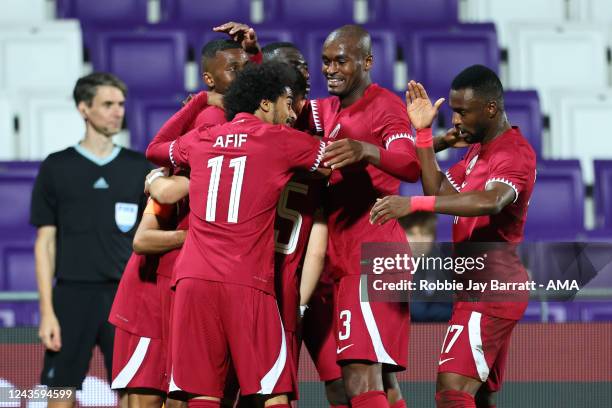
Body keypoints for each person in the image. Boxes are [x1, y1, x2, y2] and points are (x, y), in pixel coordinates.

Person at [145, 62, 326, 408]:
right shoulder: (281, 140)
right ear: (265, 104)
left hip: (193, 280)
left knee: (202, 392)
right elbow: (332, 161)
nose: (291, 113)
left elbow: (155, 147)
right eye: (286, 103)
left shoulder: (201, 138)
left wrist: (198, 102)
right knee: (274, 392)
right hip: (246, 281)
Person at [370, 65, 536, 408]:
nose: (456, 121)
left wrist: (412, 203)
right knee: (480, 397)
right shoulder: (477, 152)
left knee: (451, 392)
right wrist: (425, 135)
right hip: (475, 287)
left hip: (492, 288)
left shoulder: (513, 152)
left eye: (462, 111)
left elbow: (491, 201)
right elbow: (439, 190)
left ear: (490, 108)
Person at [308, 24, 422, 408]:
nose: (330, 69)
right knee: (376, 386)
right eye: (325, 61)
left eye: (341, 60)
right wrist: (256, 59)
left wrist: (367, 151)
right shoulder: (329, 109)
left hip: (372, 256)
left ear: (367, 61)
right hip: (344, 261)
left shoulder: (384, 106)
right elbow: (281, 107)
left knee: (360, 378)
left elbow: (410, 165)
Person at [31, 72, 151, 407]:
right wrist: (47, 312)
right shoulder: (57, 166)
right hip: (71, 296)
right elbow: (45, 243)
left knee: (134, 395)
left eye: (121, 105)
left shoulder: (138, 166)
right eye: (108, 104)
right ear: (84, 109)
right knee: (59, 393)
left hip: (125, 296)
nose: (118, 112)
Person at [398, 213, 453, 323]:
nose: (419, 240)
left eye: (425, 233)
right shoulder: (388, 264)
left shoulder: (444, 261)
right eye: (411, 234)